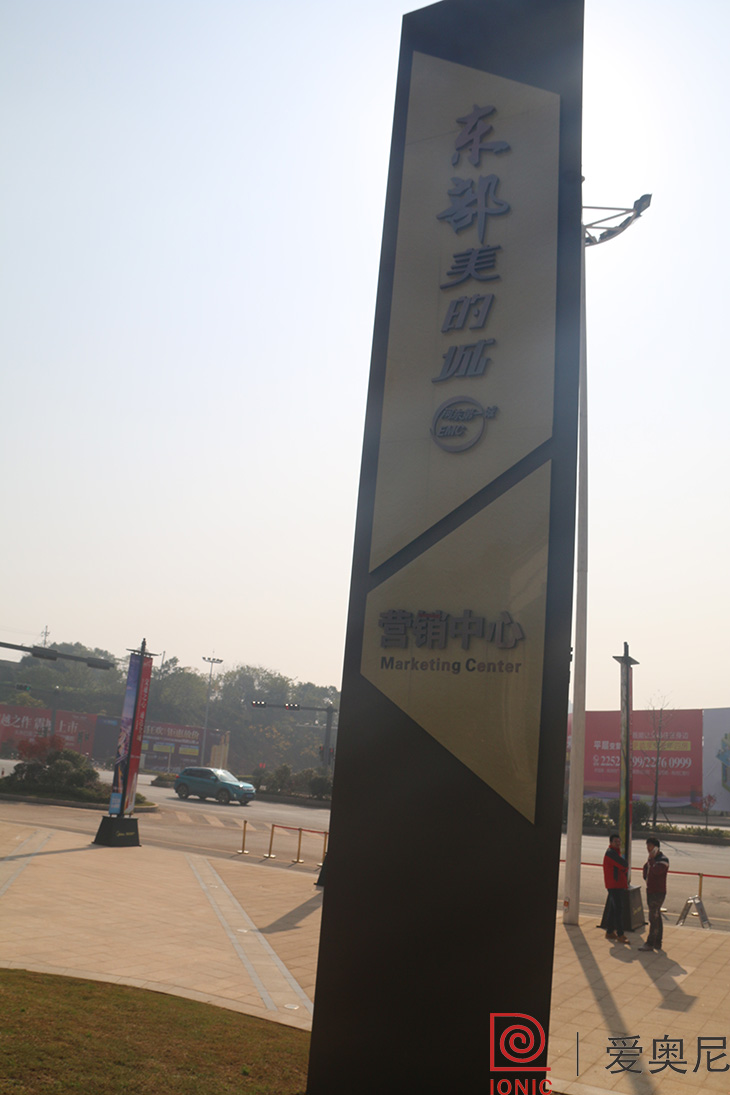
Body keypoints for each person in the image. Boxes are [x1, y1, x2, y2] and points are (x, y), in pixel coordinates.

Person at [639, 837, 669, 952]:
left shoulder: (663, 860)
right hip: (651, 890)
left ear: (656, 848)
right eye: (647, 846)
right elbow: (646, 869)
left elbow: (657, 871)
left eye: (650, 846)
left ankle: (650, 942)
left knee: (653, 917)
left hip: (658, 892)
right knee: (656, 917)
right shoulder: (652, 860)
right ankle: (657, 941)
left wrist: (651, 860)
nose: (648, 849)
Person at [603, 832, 630, 943]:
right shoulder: (611, 853)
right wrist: (623, 869)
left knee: (613, 909)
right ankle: (620, 934)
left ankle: (610, 931)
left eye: (619, 842)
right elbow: (624, 865)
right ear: (611, 842)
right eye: (615, 841)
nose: (618, 843)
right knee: (618, 909)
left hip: (615, 884)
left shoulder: (614, 852)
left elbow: (622, 866)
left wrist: (622, 868)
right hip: (615, 885)